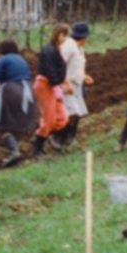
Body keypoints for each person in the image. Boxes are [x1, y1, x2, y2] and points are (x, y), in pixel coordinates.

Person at [0, 40, 40, 166]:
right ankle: (24, 147)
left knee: (2, 124)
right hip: (27, 90)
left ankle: (14, 151)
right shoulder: (21, 59)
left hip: (11, 90)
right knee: (17, 122)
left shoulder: (3, 59)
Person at [32, 23, 71, 155]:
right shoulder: (49, 50)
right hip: (45, 85)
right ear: (59, 35)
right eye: (64, 36)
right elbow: (50, 70)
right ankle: (37, 148)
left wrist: (61, 83)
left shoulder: (55, 48)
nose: (65, 39)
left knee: (62, 117)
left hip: (54, 85)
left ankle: (41, 135)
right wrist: (56, 85)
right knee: (49, 118)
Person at [59, 22, 95, 146]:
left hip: (77, 85)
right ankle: (58, 138)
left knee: (78, 111)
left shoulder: (79, 48)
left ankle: (70, 138)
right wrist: (65, 82)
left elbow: (77, 66)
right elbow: (60, 65)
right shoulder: (68, 47)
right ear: (84, 36)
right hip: (67, 85)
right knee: (71, 112)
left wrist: (84, 76)